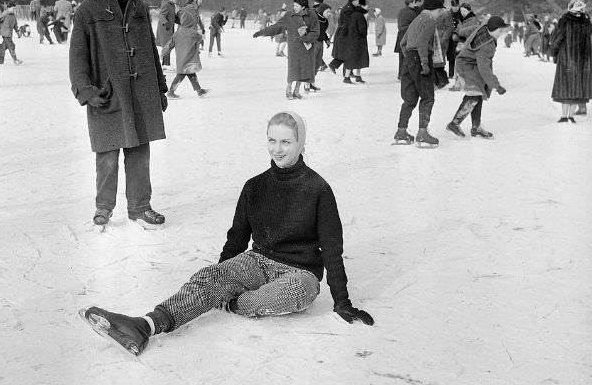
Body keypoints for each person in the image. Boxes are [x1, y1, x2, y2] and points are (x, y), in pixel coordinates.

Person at [80, 111, 374, 356]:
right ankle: (146, 325)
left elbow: (332, 249)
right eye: (272, 140)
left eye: (286, 141)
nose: (278, 148)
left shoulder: (317, 189)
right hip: (257, 261)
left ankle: (233, 302)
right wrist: (221, 273)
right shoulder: (255, 186)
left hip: (299, 272)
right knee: (210, 278)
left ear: (301, 143)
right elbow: (237, 237)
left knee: (301, 290)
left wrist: (342, 301)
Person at [69, 0, 168, 227]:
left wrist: (159, 87)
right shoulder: (87, 11)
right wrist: (86, 90)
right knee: (107, 156)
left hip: (140, 94)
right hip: (106, 94)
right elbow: (77, 56)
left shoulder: (139, 8)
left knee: (139, 154)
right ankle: (104, 208)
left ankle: (140, 207)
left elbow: (149, 48)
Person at [393, 0, 445, 147]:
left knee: (409, 98)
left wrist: (410, 59)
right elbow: (422, 42)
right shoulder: (430, 20)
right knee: (428, 97)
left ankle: (401, 131)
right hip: (420, 59)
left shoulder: (416, 19)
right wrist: (423, 62)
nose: (440, 13)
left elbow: (403, 43)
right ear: (434, 9)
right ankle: (422, 133)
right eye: (440, 10)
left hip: (409, 60)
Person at [445, 16, 509, 139]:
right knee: (473, 95)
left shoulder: (484, 28)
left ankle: (476, 128)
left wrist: (459, 33)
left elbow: (466, 30)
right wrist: (496, 85)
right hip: (467, 66)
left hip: (470, 64)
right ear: (493, 29)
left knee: (477, 95)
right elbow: (484, 68)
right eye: (500, 31)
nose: (501, 34)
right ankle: (454, 123)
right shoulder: (486, 45)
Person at [253, 0, 318, 99]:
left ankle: (296, 91)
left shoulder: (312, 15)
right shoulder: (289, 15)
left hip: (307, 47)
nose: (294, 7)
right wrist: (261, 32)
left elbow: (316, 32)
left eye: (297, 6)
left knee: (304, 70)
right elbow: (277, 27)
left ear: (303, 6)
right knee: (294, 69)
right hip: (294, 47)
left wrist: (306, 38)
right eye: (294, 5)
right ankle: (288, 90)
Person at [551, 0, 592, 123]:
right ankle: (570, 116)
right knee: (578, 87)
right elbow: (588, 35)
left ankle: (565, 116)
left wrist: (554, 52)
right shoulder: (585, 21)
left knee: (566, 87)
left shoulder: (565, 19)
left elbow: (558, 37)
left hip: (567, 57)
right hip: (582, 59)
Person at [165, 0, 209, 98]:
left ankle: (199, 90)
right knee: (185, 67)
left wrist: (201, 28)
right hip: (186, 39)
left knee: (188, 67)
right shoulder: (189, 9)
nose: (202, 1)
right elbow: (183, 22)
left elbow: (195, 21)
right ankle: (171, 92)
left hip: (189, 39)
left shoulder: (194, 9)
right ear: (195, 0)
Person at [329, 0, 360, 74]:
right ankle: (343, 70)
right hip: (345, 34)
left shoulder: (350, 7)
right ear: (353, 1)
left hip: (344, 34)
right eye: (357, 1)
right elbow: (348, 23)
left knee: (346, 53)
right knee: (347, 53)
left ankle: (347, 71)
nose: (358, 2)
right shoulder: (349, 9)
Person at [345, 0, 370, 83]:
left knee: (358, 58)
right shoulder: (359, 15)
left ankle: (357, 76)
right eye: (367, 5)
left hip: (354, 40)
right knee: (354, 58)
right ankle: (347, 77)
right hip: (358, 40)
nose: (368, 7)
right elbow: (362, 29)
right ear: (362, 5)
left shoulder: (355, 14)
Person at [394, 0, 417, 80]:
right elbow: (415, 26)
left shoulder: (401, 11)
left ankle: (400, 74)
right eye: (414, 2)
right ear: (410, 3)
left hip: (400, 35)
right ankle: (406, 74)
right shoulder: (412, 13)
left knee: (401, 57)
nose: (415, 4)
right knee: (408, 56)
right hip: (408, 36)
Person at [156, 0, 179, 70]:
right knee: (167, 45)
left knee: (168, 46)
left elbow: (173, 17)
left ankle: (165, 63)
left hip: (169, 28)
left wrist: (181, 22)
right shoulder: (166, 5)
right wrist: (166, 23)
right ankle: (166, 64)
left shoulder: (172, 5)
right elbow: (162, 15)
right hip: (165, 29)